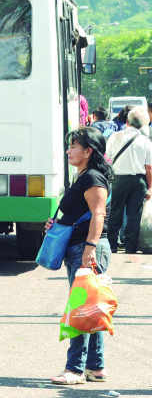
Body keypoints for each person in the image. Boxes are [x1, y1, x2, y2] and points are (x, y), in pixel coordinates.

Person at [48, 127, 113, 385]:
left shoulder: (93, 177)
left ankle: (74, 370)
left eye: (73, 146)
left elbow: (99, 214)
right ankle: (95, 367)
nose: (68, 150)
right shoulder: (84, 175)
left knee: (79, 310)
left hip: (86, 250)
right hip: (80, 247)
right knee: (90, 309)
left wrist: (89, 248)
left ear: (88, 151)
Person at [105, 106, 152, 253]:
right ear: (143, 125)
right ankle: (130, 247)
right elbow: (149, 168)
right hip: (139, 182)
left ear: (127, 121)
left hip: (119, 180)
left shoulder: (115, 136)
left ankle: (111, 245)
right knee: (134, 215)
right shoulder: (145, 141)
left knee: (115, 212)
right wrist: (150, 187)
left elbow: (109, 156)